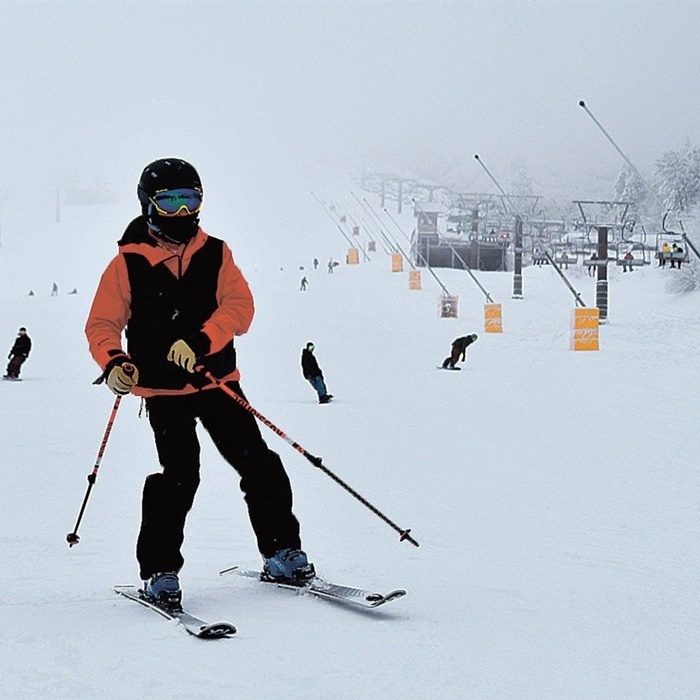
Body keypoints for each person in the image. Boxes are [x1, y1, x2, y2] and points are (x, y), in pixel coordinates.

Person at [85, 158, 314, 609]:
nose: (180, 211)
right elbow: (102, 324)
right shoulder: (126, 263)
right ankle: (159, 571)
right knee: (179, 476)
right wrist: (114, 363)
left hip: (217, 381)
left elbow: (239, 307)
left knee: (260, 464)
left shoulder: (217, 252)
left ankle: (282, 552)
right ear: (148, 204)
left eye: (189, 199)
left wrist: (203, 339)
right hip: (163, 391)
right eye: (168, 201)